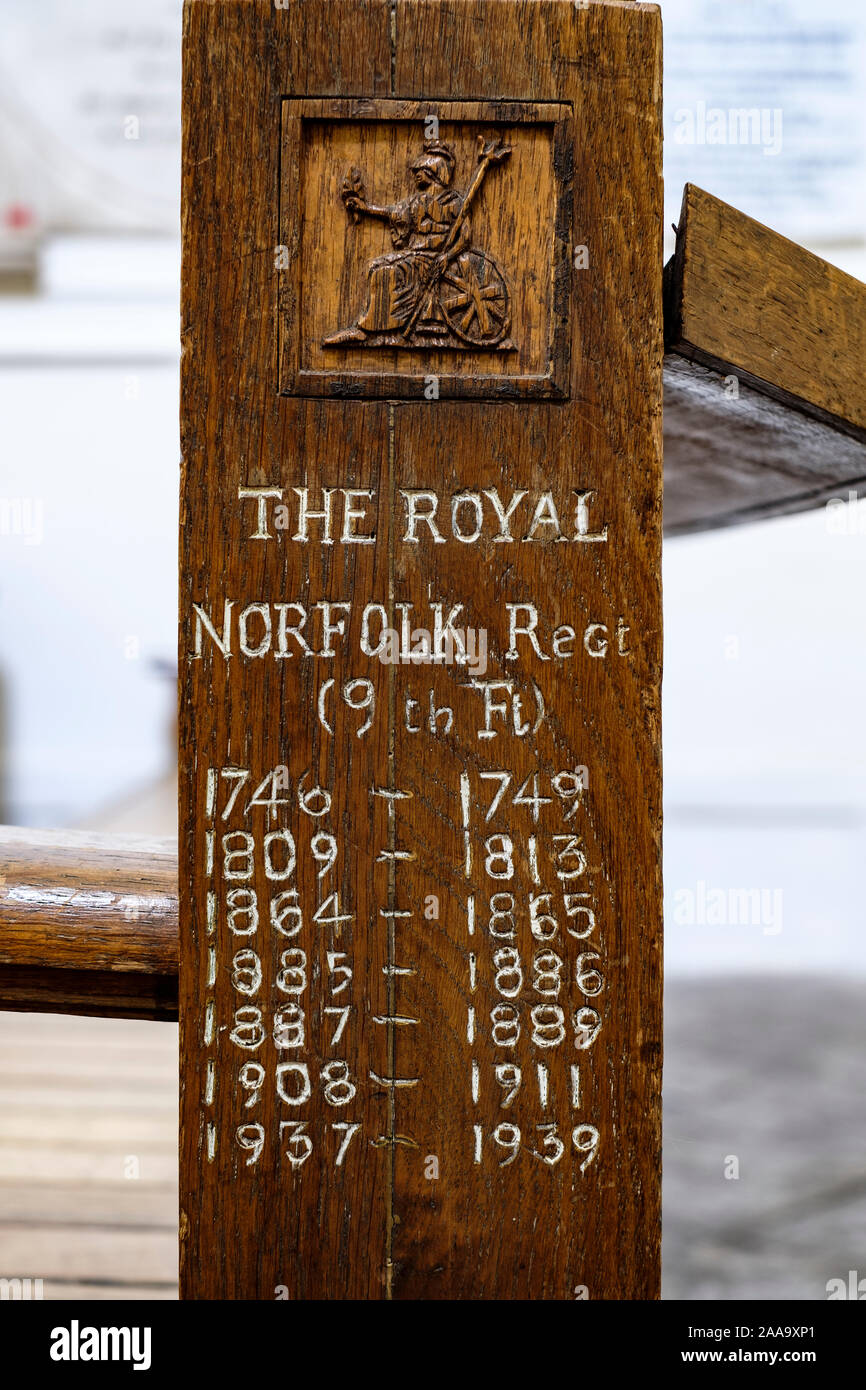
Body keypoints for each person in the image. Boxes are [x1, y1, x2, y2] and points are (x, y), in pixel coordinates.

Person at [324, 142, 472, 344]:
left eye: (421, 170)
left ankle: (374, 329)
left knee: (387, 272)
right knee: (374, 266)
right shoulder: (418, 201)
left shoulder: (454, 201)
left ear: (433, 171)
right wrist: (366, 208)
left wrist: (447, 256)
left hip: (433, 259)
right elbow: (393, 213)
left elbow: (465, 237)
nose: (416, 174)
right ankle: (367, 326)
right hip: (415, 255)